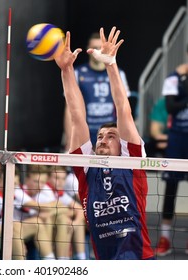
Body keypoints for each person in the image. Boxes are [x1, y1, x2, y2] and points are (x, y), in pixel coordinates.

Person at [55, 26, 154, 260]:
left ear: (123, 146)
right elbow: (77, 114)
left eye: (111, 136)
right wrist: (66, 70)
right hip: (104, 260)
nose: (103, 139)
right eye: (100, 136)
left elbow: (123, 109)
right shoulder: (86, 167)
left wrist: (111, 64)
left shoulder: (132, 161)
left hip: (139, 258)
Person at [63, 31, 131, 150]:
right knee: (83, 167)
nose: (98, 51)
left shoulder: (118, 73)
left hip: (110, 132)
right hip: (86, 131)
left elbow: (124, 108)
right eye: (94, 47)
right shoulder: (79, 72)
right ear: (88, 49)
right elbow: (70, 109)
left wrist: (126, 137)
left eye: (100, 47)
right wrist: (70, 138)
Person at [0, 172, 56, 260]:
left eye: (15, 184)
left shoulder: (8, 196)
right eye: (10, 183)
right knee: (14, 226)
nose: (13, 187)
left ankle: (50, 262)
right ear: (0, 182)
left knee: (37, 223)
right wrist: (17, 242)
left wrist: (18, 240)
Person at [155, 59, 188, 256]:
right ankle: (165, 237)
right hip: (176, 138)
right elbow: (171, 107)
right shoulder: (173, 79)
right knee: (171, 188)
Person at [45, 166, 87, 260]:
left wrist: (74, 224)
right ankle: (63, 260)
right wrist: (68, 212)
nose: (60, 181)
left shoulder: (60, 193)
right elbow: (50, 211)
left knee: (77, 222)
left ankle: (81, 258)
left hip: (58, 224)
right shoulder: (45, 190)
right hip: (44, 226)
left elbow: (80, 209)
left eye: (63, 179)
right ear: (48, 178)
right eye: (57, 178)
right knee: (64, 220)